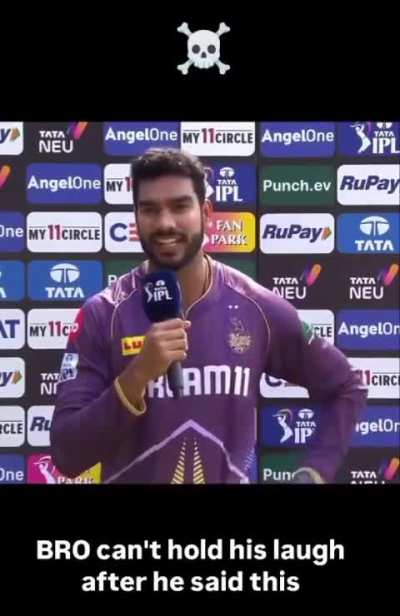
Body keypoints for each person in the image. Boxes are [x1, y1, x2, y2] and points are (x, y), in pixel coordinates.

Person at [50, 148, 367, 484]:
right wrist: (138, 374)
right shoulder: (104, 314)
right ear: (136, 218)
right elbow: (68, 455)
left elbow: (346, 386)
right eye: (150, 210)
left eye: (180, 206)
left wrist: (314, 473)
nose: (165, 223)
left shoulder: (255, 306)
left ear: (205, 213)